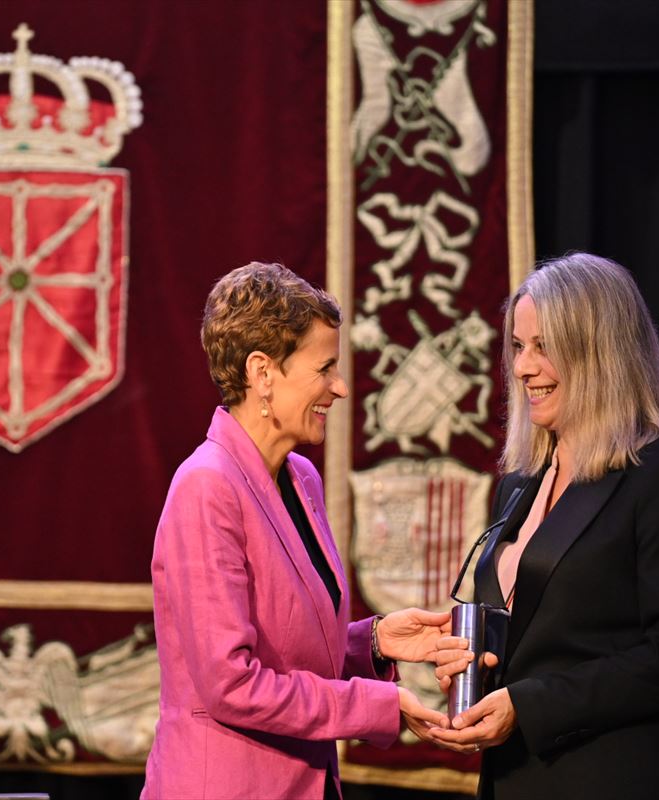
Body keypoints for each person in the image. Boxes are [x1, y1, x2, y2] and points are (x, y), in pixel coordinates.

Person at [142, 262, 451, 800]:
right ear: (263, 372)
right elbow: (232, 685)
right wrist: (374, 704)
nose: (341, 387)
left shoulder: (300, 479)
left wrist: (373, 642)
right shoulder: (205, 487)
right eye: (325, 368)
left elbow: (286, 650)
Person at [431, 253, 659, 799]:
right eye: (519, 347)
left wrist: (531, 704)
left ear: (602, 352)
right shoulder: (519, 484)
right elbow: (536, 632)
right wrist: (474, 665)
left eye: (545, 346)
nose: (523, 367)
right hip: (521, 779)